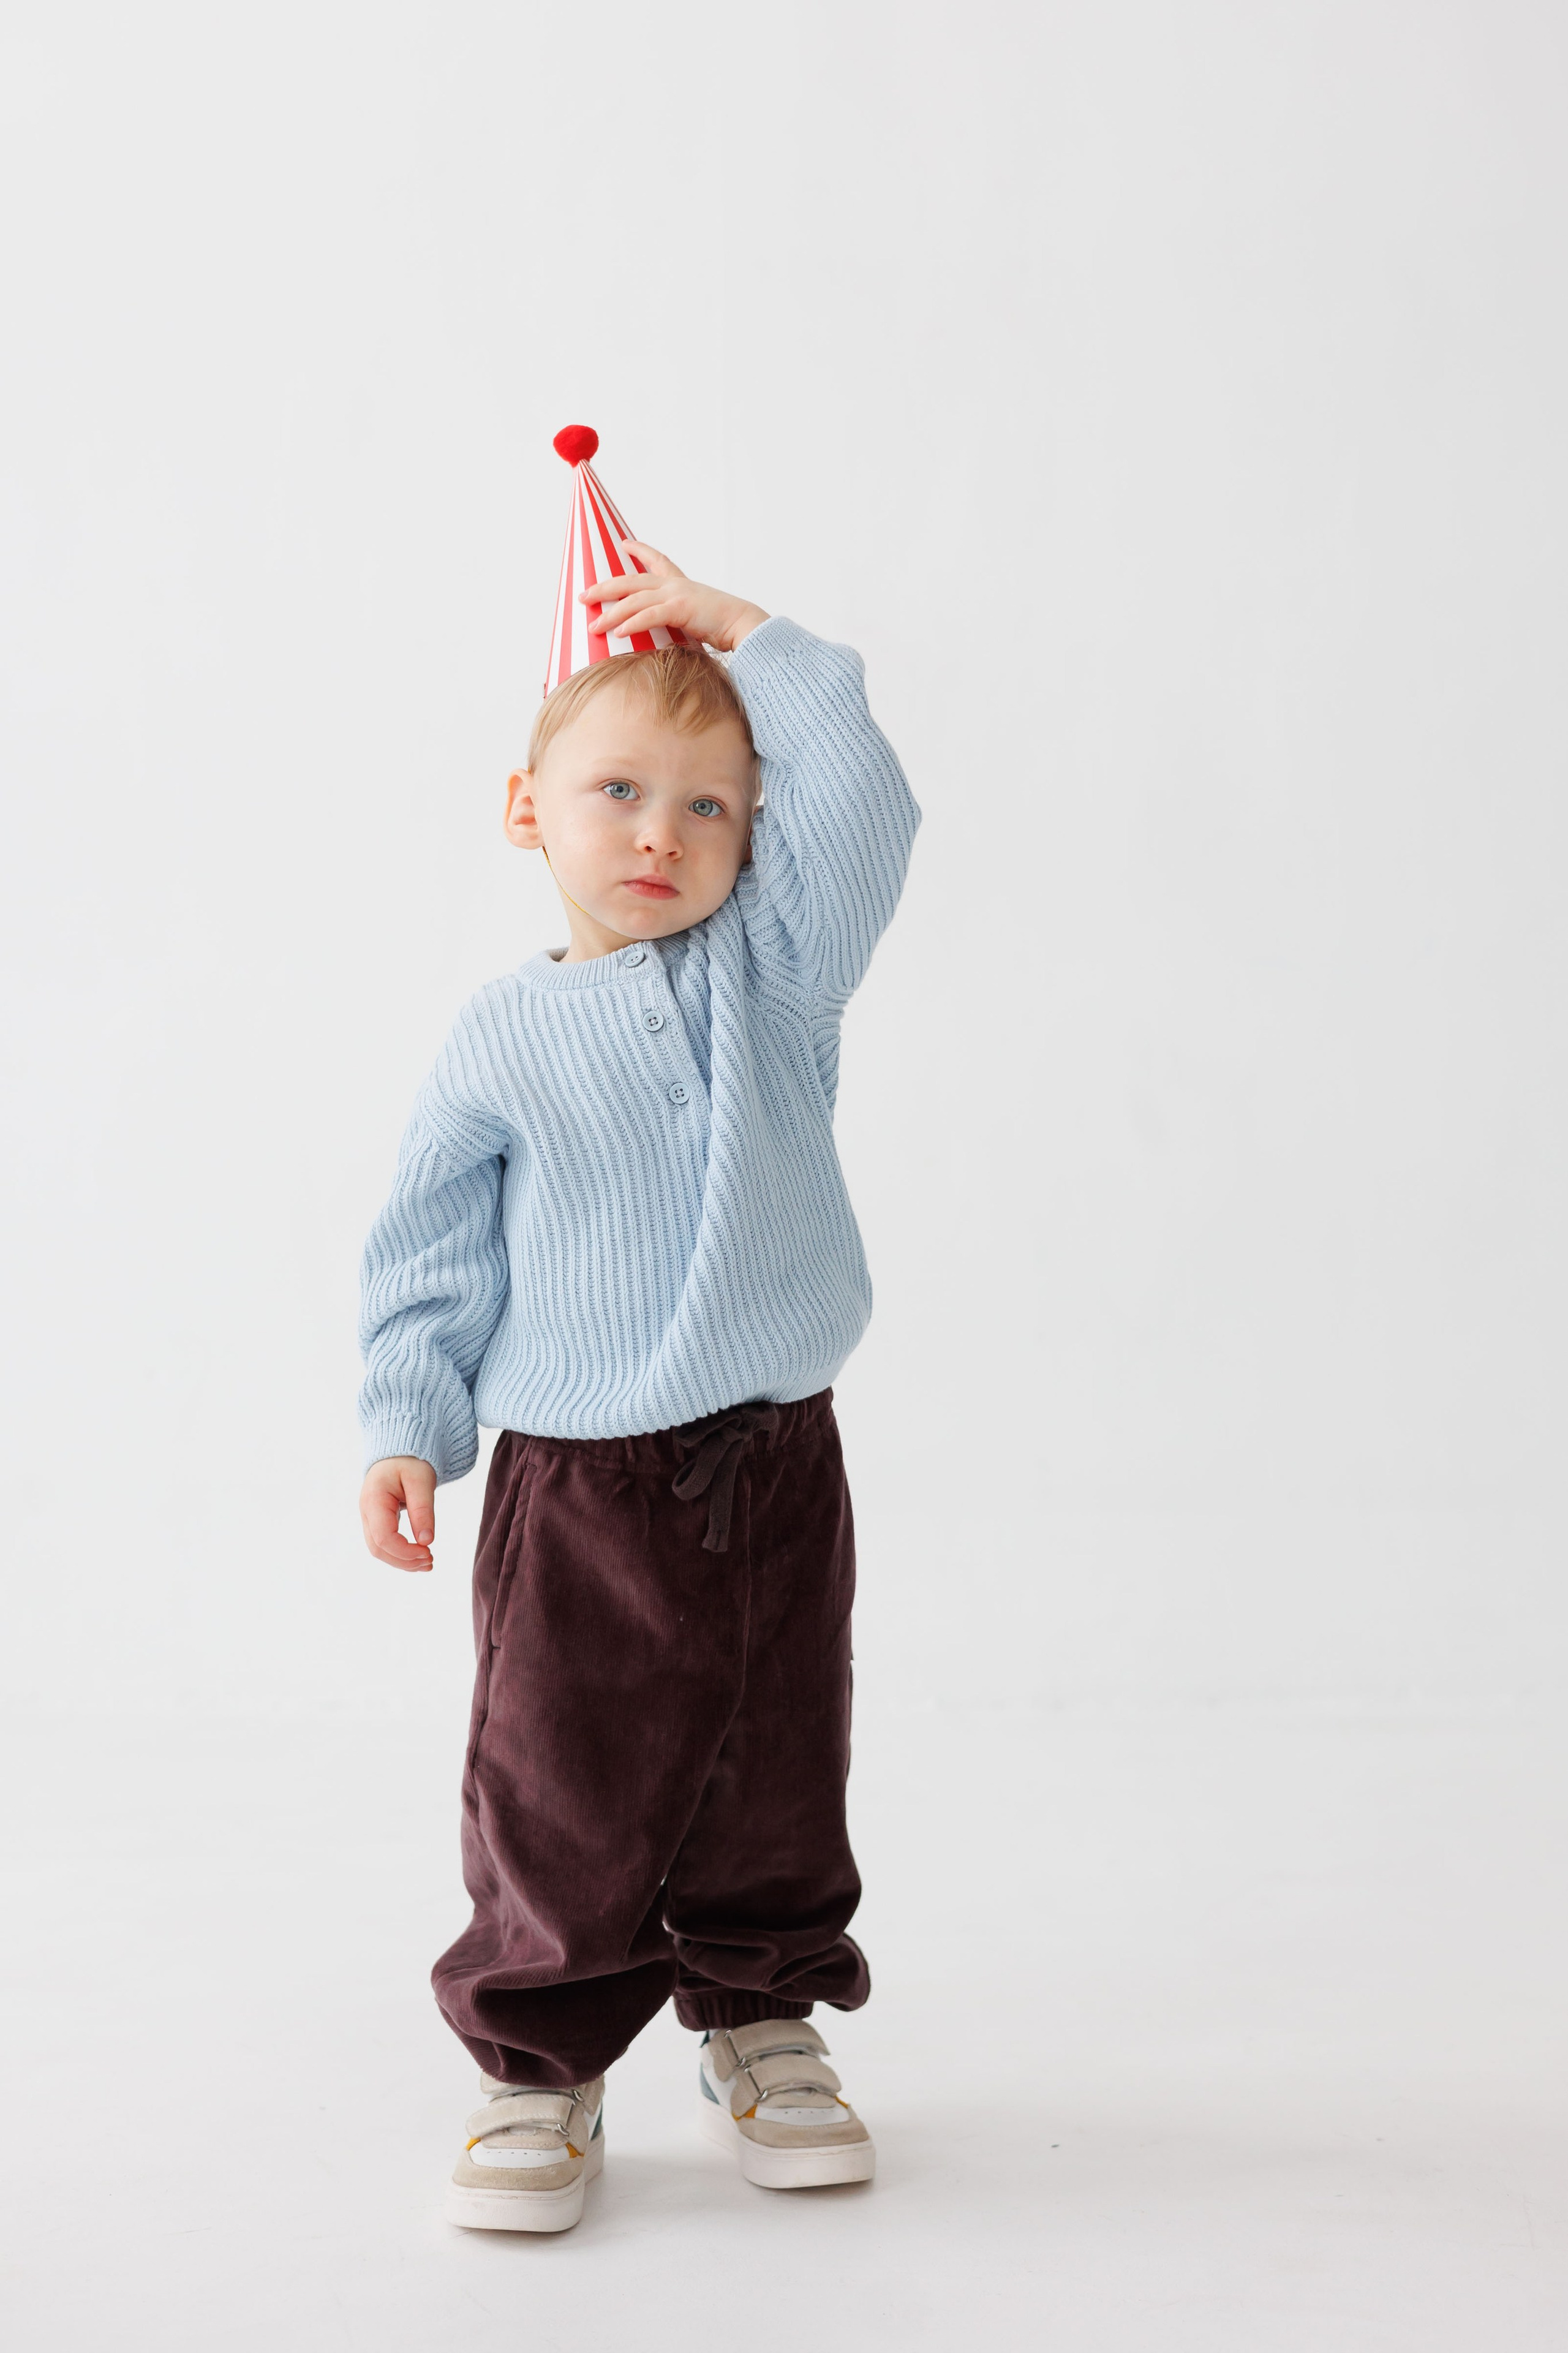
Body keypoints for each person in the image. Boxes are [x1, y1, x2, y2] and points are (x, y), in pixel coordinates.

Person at [356, 429, 919, 2232]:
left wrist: (749, 633)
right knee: (565, 1770)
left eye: (709, 808)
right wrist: (404, 1419)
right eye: (615, 794)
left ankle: (761, 2012)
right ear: (529, 809)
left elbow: (872, 800)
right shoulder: (498, 1040)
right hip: (578, 1475)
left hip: (774, 1451)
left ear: (756, 841)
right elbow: (427, 1250)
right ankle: (544, 2057)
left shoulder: (776, 975)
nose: (662, 837)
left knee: (775, 1751)